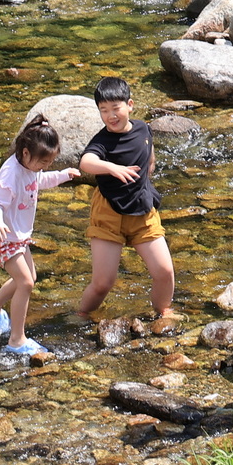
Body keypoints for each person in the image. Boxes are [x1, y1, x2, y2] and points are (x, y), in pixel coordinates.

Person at [76, 76, 180, 335]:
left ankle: (163, 312)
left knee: (164, 271)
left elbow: (148, 151)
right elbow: (86, 163)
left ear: (130, 105)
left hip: (142, 210)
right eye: (103, 110)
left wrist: (149, 168)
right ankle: (80, 315)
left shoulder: (144, 128)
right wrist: (111, 167)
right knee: (103, 283)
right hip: (108, 212)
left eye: (115, 108)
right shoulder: (103, 141)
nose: (110, 116)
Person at [0, 116, 79, 356]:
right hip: (0, 238)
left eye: (49, 163)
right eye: (43, 162)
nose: (44, 168)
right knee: (26, 282)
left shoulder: (30, 168)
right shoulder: (10, 174)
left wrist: (63, 174)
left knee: (29, 276)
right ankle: (17, 340)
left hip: (17, 237)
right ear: (24, 152)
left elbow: (39, 181)